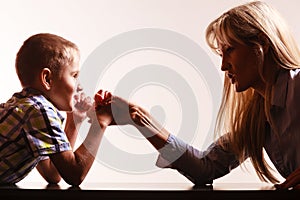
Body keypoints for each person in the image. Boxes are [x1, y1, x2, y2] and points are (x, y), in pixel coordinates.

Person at [103, 1, 300, 189]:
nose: (223, 66)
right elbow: (205, 168)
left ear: (262, 43)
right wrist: (140, 119)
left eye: (229, 50)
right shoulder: (257, 117)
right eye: (221, 54)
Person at [0, 33, 115, 186]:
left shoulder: (25, 106)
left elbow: (53, 173)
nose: (79, 85)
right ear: (47, 79)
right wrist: (101, 122)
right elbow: (75, 175)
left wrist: (74, 120)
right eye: (74, 75)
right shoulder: (39, 110)